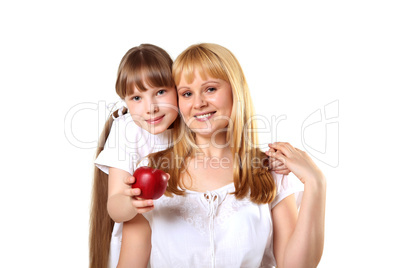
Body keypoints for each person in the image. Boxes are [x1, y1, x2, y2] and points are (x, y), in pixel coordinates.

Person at [136, 43, 327, 267]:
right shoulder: (153, 169)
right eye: (187, 93)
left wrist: (316, 183)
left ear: (234, 90)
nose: (198, 103)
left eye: (210, 89)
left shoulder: (270, 171)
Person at [89, 44, 179, 268]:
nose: (151, 108)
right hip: (140, 240)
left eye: (160, 92)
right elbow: (115, 205)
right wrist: (132, 202)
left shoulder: (190, 124)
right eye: (137, 98)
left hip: (180, 237)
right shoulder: (128, 130)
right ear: (125, 101)